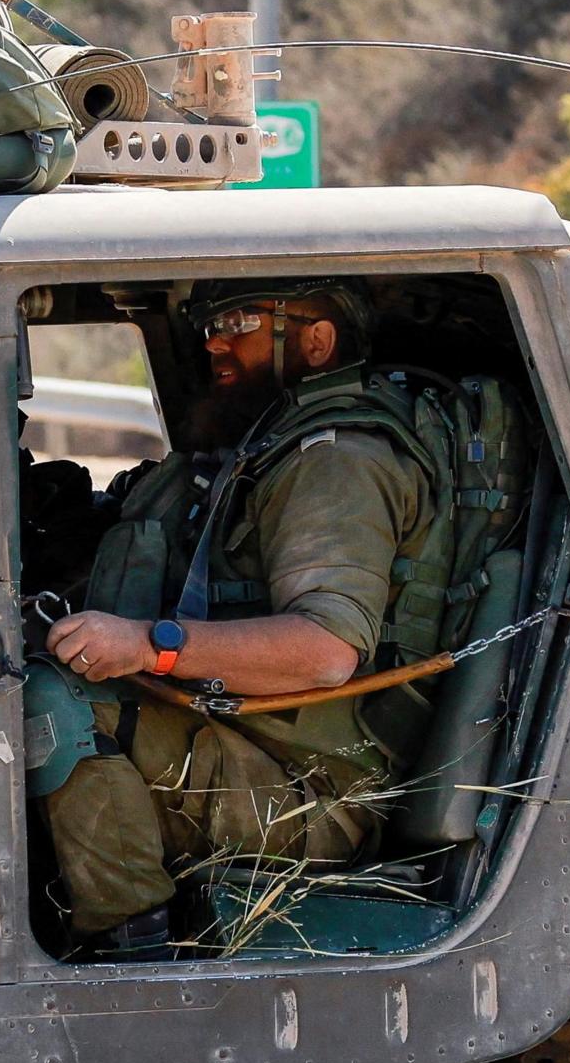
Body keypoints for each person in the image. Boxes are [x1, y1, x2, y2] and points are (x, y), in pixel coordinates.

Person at [28, 281, 436, 952]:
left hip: (314, 790)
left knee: (54, 706)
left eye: (240, 321)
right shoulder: (254, 447)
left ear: (316, 341)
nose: (214, 341)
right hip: (253, 743)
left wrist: (148, 646)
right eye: (209, 324)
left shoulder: (335, 460)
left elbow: (326, 651)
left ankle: (134, 952)